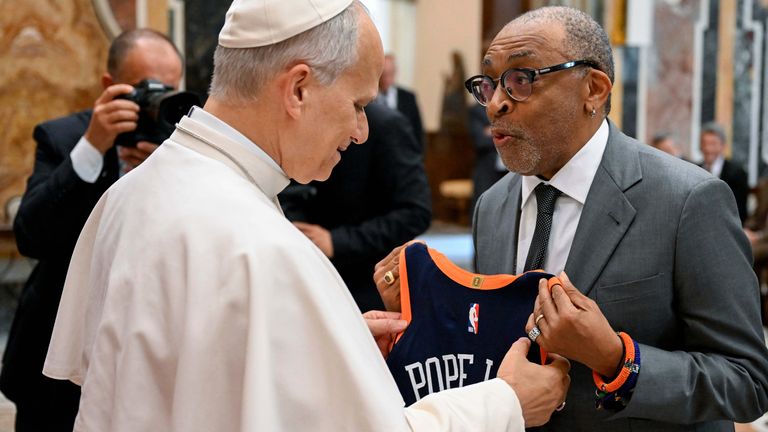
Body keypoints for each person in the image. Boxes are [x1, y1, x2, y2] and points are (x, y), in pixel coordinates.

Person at [42, 1, 570, 430]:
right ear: (298, 89)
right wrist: (504, 404)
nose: (362, 131)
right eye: (358, 104)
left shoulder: (131, 192)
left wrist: (331, 339)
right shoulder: (267, 248)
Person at [376, 6, 768, 431]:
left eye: (522, 79)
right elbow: (496, 352)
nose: (496, 103)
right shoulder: (492, 206)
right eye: (488, 84)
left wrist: (617, 359)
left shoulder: (688, 200)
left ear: (594, 89)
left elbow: (747, 381)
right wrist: (425, 313)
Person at [0, 28, 182, 432]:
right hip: (54, 353)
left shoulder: (182, 146)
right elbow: (30, 235)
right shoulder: (64, 137)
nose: (155, 98)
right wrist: (93, 147)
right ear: (109, 85)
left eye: (167, 89)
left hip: (144, 348)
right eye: (142, 88)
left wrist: (165, 171)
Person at [280, 101, 431, 312]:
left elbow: (416, 212)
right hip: (306, 275)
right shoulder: (301, 120)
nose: (360, 132)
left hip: (365, 285)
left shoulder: (387, 125)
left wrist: (337, 241)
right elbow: (291, 190)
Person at [699, 122, 749, 223]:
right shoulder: (695, 169)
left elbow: (739, 210)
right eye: (704, 143)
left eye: (713, 144)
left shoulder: (737, 173)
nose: (708, 149)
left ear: (722, 145)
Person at [378, 53, 425, 151]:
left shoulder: (408, 98)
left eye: (389, 74)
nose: (386, 78)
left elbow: (417, 130)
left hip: (403, 154)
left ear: (395, 72)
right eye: (383, 74)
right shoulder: (369, 98)